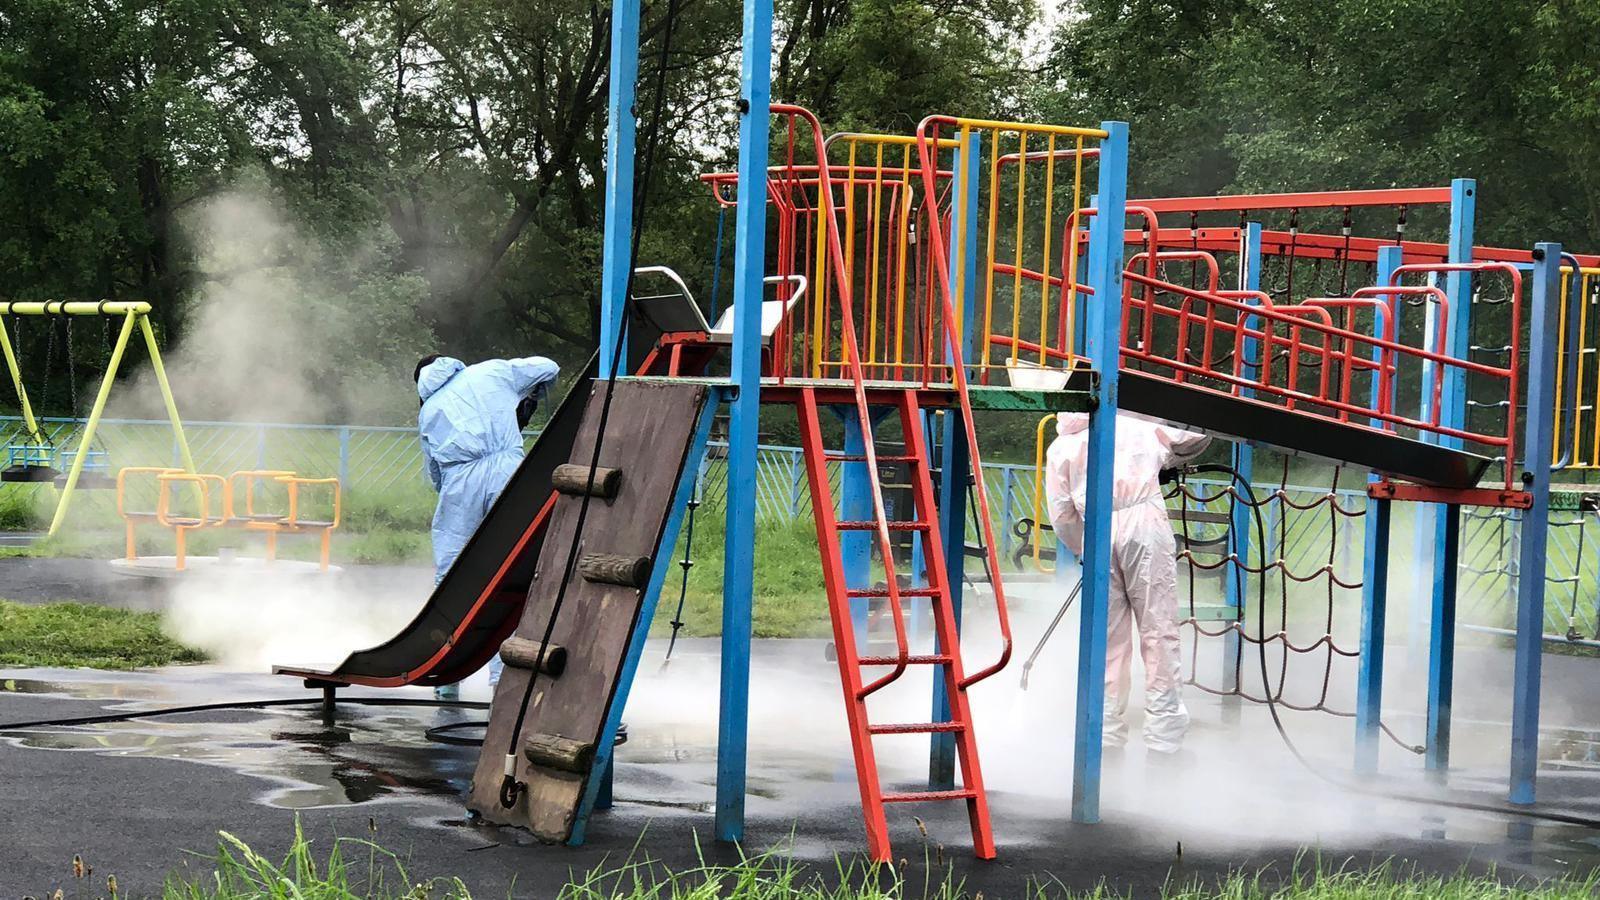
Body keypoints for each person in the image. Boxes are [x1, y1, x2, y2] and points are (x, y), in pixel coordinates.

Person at [1044, 411, 1210, 757]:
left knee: (1107, 641)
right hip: (1144, 524)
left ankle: (1105, 737)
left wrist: (1083, 547)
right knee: (1158, 630)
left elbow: (1061, 513)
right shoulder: (1141, 426)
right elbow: (1195, 440)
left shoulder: (1062, 444)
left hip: (1096, 530)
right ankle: (1164, 739)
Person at [417, 353, 560, 699]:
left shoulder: (428, 410)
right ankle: (503, 678)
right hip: (509, 473)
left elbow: (434, 473)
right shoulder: (492, 372)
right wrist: (531, 395)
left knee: (453, 574)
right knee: (513, 569)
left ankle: (446, 673)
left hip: (459, 484)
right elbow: (549, 367)